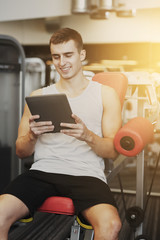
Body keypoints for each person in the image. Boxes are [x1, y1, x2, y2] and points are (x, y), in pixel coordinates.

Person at [0, 28, 122, 240]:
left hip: (86, 173)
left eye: (68, 55)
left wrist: (87, 136)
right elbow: (21, 151)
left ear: (81, 55)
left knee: (111, 224)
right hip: (43, 171)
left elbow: (112, 151)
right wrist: (32, 136)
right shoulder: (39, 96)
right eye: (56, 56)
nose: (61, 62)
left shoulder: (105, 94)